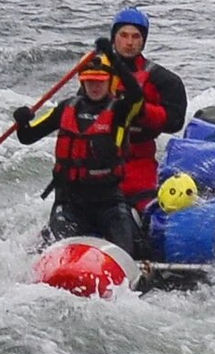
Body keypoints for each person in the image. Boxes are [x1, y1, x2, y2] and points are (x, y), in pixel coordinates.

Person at [13, 49, 145, 256]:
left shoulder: (121, 111)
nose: (94, 86)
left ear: (110, 81)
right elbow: (27, 137)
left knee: (129, 250)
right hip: (70, 202)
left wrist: (115, 59)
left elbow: (136, 94)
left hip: (109, 200)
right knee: (58, 250)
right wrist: (22, 122)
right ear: (82, 82)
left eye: (100, 81)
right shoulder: (66, 108)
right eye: (89, 81)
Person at [106, 7, 188, 213]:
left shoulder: (163, 80)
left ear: (143, 41)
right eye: (123, 35)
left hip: (140, 165)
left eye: (136, 36)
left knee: (145, 217)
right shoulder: (96, 75)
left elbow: (175, 121)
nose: (129, 42)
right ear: (114, 38)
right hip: (101, 164)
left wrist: (140, 110)